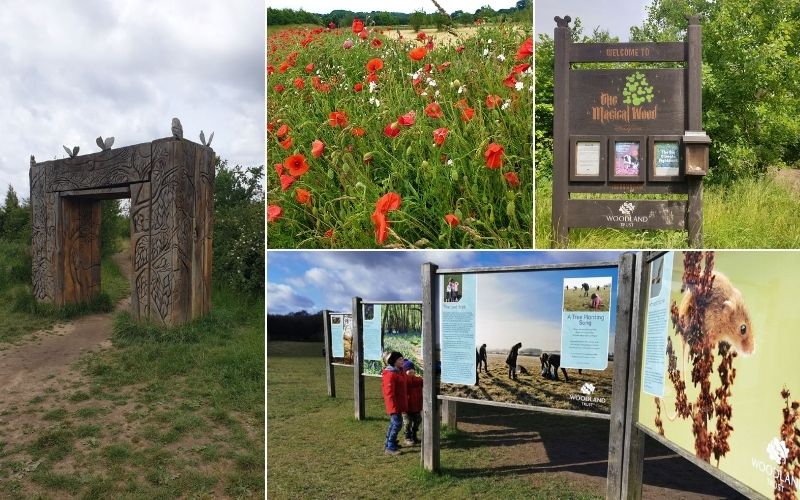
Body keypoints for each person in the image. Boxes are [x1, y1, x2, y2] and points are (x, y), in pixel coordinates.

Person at [382, 351, 407, 456]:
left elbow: (405, 381)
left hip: (398, 403)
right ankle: (390, 447)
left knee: (393, 424)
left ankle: (389, 443)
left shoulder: (398, 371)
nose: (402, 361)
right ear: (393, 361)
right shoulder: (390, 374)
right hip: (394, 405)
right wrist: (393, 407)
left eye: (402, 359)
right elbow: (389, 393)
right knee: (397, 424)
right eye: (400, 359)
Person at [402, 360, 423, 445]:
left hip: (416, 406)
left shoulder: (418, 380)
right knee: (407, 423)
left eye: (412, 369)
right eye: (408, 369)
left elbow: (423, 381)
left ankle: (414, 434)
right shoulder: (404, 380)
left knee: (418, 420)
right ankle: (407, 437)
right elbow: (408, 381)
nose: (411, 371)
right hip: (406, 407)